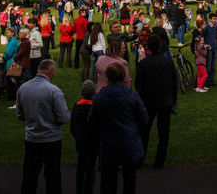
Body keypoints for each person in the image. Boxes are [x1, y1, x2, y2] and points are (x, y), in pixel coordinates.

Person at [89, 62, 148, 194]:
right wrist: (137, 133)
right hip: (128, 142)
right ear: (123, 76)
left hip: (108, 143)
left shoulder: (100, 96)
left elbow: (92, 120)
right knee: (129, 180)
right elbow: (144, 118)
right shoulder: (132, 96)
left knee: (108, 180)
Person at [16, 59, 69, 194]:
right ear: (51, 71)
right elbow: (63, 117)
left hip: (32, 138)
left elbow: (19, 114)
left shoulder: (23, 88)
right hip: (51, 140)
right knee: (53, 177)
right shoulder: (54, 91)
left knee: (29, 177)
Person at [135, 35, 177, 168]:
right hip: (164, 101)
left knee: (144, 132)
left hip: (148, 102)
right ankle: (159, 161)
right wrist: (173, 101)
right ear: (160, 47)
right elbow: (174, 84)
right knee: (163, 132)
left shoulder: (143, 64)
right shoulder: (168, 62)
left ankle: (140, 159)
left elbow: (139, 85)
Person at [71, 80, 97, 194]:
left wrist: (76, 136)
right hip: (93, 142)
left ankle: (79, 190)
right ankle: (88, 190)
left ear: (81, 94)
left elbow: (72, 126)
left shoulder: (76, 107)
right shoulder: (95, 107)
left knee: (80, 167)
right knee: (90, 168)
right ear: (94, 93)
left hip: (80, 141)